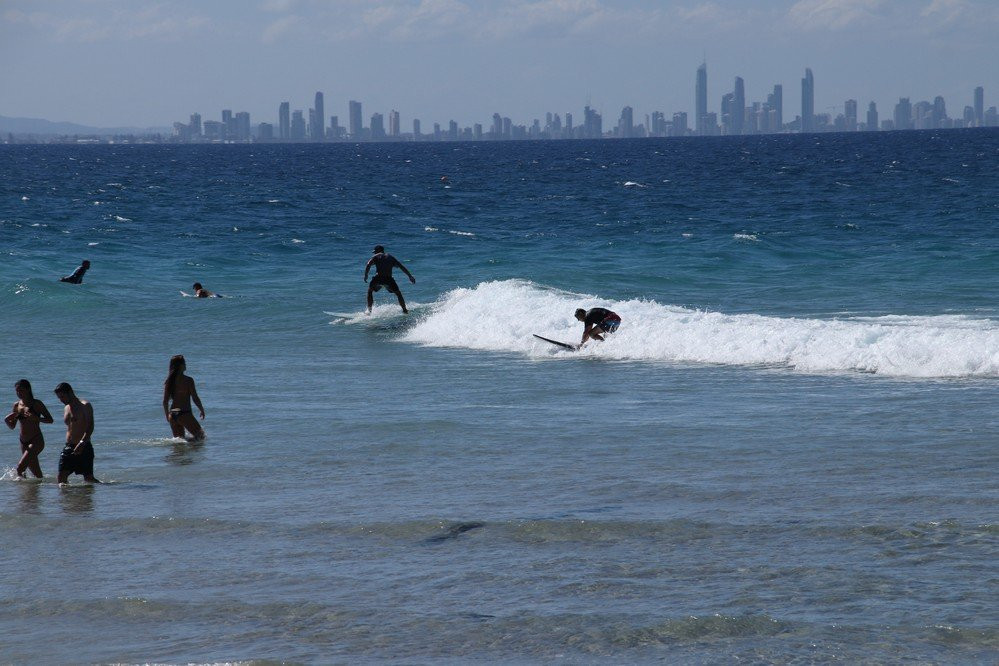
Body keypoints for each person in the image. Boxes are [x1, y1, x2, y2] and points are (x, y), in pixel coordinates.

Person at [4, 379, 54, 478]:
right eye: (17, 391)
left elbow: (50, 420)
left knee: (20, 468)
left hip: (36, 440)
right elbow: (12, 426)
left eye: (21, 390)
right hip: (23, 442)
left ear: (28, 390)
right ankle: (33, 492)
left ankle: (24, 492)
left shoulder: (36, 404)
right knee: (37, 475)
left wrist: (36, 418)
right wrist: (6, 421)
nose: (19, 393)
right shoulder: (16, 405)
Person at [53, 382, 99, 484]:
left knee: (89, 479)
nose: (61, 400)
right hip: (69, 447)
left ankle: (110, 489)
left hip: (84, 446)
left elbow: (90, 426)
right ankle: (68, 499)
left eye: (62, 396)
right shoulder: (66, 408)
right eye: (59, 398)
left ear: (70, 392)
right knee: (61, 478)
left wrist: (82, 442)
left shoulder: (85, 406)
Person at [162, 355, 206, 441]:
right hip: (184, 413)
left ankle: (181, 454)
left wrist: (167, 415)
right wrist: (201, 409)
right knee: (201, 437)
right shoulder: (188, 380)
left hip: (172, 415)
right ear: (181, 365)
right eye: (184, 363)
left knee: (179, 444)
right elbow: (195, 398)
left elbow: (165, 402)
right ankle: (196, 454)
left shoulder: (169, 382)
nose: (186, 365)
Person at [364, 245, 415, 314]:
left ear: (378, 250)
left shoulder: (375, 257)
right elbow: (401, 266)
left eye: (375, 251)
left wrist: (366, 275)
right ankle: (405, 310)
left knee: (370, 291)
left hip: (378, 278)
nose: (374, 253)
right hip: (388, 279)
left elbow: (368, 264)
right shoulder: (391, 257)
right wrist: (410, 276)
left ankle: (369, 311)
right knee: (398, 294)